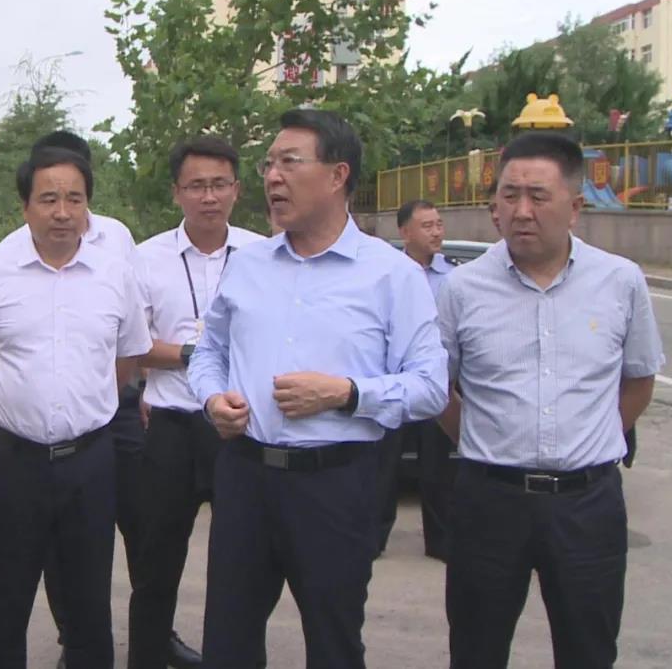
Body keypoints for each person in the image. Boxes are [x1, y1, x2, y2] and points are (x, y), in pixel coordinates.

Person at [188, 108, 448, 668]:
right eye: (268, 164)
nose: (272, 177)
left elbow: (430, 387)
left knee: (334, 643)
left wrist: (346, 394)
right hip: (245, 478)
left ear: (337, 175)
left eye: (289, 162)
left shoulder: (391, 274)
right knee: (227, 642)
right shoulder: (248, 264)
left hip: (336, 485)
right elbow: (210, 352)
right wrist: (212, 398)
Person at [437, 131, 664, 669]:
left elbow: (638, 380)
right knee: (476, 650)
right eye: (509, 195)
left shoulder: (620, 281)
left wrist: (591, 438)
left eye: (538, 196)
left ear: (575, 207)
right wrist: (485, 438)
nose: (521, 211)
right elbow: (438, 389)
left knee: (589, 650)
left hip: (587, 505)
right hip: (489, 502)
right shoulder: (462, 288)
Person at [0, 145, 152, 669]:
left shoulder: (114, 274)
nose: (62, 212)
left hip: (89, 462)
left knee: (89, 604)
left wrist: (84, 405)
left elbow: (127, 358)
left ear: (88, 206)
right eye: (48, 199)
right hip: (12, 461)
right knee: (5, 602)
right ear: (25, 205)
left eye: (75, 199)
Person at [128, 136, 264, 669]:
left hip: (238, 429)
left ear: (237, 190)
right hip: (171, 429)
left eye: (219, 185)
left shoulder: (264, 255)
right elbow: (133, 345)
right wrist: (195, 353)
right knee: (156, 565)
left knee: (240, 567)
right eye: (197, 186)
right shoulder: (145, 259)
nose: (209, 197)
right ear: (177, 192)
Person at [372, 200, 457, 561]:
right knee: (385, 466)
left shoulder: (453, 278)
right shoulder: (387, 273)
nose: (436, 232)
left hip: (435, 384)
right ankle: (374, 538)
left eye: (439, 224)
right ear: (405, 233)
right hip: (393, 381)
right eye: (427, 226)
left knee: (437, 467)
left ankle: (441, 540)